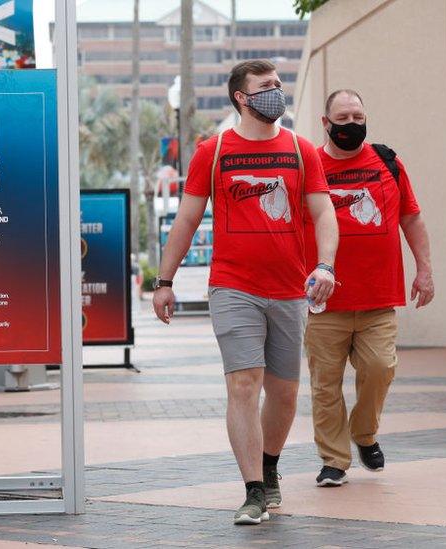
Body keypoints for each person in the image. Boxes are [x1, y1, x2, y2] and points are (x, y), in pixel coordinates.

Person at [152, 60, 338, 525]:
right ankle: (254, 490)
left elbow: (324, 214)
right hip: (233, 286)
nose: (276, 92)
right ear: (241, 96)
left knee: (284, 393)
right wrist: (164, 281)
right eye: (265, 87)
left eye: (278, 85)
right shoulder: (212, 152)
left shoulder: (300, 150)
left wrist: (325, 265)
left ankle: (270, 466)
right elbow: (188, 220)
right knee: (242, 384)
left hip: (290, 289)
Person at [305, 90, 434, 487]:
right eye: (342, 117)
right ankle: (334, 459)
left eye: (358, 116)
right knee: (325, 384)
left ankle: (364, 433)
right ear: (326, 123)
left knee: (380, 369)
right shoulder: (310, 165)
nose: (351, 124)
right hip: (324, 301)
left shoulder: (387, 163)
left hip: (379, 295)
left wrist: (424, 270)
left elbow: (411, 218)